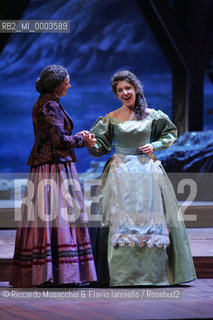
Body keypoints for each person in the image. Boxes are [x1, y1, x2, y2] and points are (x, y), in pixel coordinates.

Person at [87, 70, 197, 287]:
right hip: (121, 172)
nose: (124, 93)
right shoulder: (111, 118)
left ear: (136, 89)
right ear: (116, 94)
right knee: (120, 218)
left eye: (128, 88)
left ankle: (155, 273)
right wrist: (92, 144)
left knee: (152, 219)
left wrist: (154, 145)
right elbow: (102, 147)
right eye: (120, 90)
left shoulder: (152, 115)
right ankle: (120, 274)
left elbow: (170, 133)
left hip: (147, 170)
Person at [9, 65, 97, 287]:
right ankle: (56, 273)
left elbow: (56, 136)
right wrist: (82, 141)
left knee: (47, 216)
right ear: (57, 84)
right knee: (59, 215)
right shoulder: (50, 105)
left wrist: (75, 136)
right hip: (54, 167)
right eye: (67, 81)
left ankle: (47, 272)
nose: (69, 84)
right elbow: (58, 140)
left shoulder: (46, 102)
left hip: (48, 165)